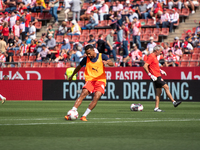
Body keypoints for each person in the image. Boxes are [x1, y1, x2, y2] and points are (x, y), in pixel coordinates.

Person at [65, 45, 114, 121]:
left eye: (89, 53)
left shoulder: (102, 56)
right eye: (86, 53)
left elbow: (112, 63)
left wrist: (107, 62)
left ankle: (84, 116)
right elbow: (78, 67)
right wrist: (72, 75)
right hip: (90, 80)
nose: (88, 55)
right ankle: (72, 111)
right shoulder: (86, 59)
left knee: (96, 96)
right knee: (83, 93)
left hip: (100, 80)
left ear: (93, 50)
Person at [143, 45, 182, 112]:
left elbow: (154, 66)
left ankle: (156, 108)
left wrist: (161, 70)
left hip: (157, 75)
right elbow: (145, 66)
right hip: (156, 76)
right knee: (166, 87)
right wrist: (150, 75)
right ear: (156, 50)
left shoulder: (155, 57)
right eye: (160, 51)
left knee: (159, 92)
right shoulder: (151, 56)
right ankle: (174, 102)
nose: (161, 52)